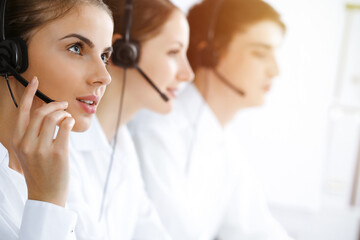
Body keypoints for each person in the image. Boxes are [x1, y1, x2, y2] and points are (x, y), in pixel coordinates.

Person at [128, 0, 293, 239]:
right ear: (210, 55)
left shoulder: (227, 145)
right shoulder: (155, 131)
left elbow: (255, 229)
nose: (275, 70)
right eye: (260, 53)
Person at [66, 0, 194, 239]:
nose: (188, 73)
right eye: (174, 52)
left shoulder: (122, 144)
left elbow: (148, 229)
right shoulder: (63, 143)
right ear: (123, 53)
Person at [0, 0, 113, 239]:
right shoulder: (51, 179)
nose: (104, 77)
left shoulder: (58, 165)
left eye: (104, 56)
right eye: (76, 48)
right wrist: (47, 202)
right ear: (11, 56)